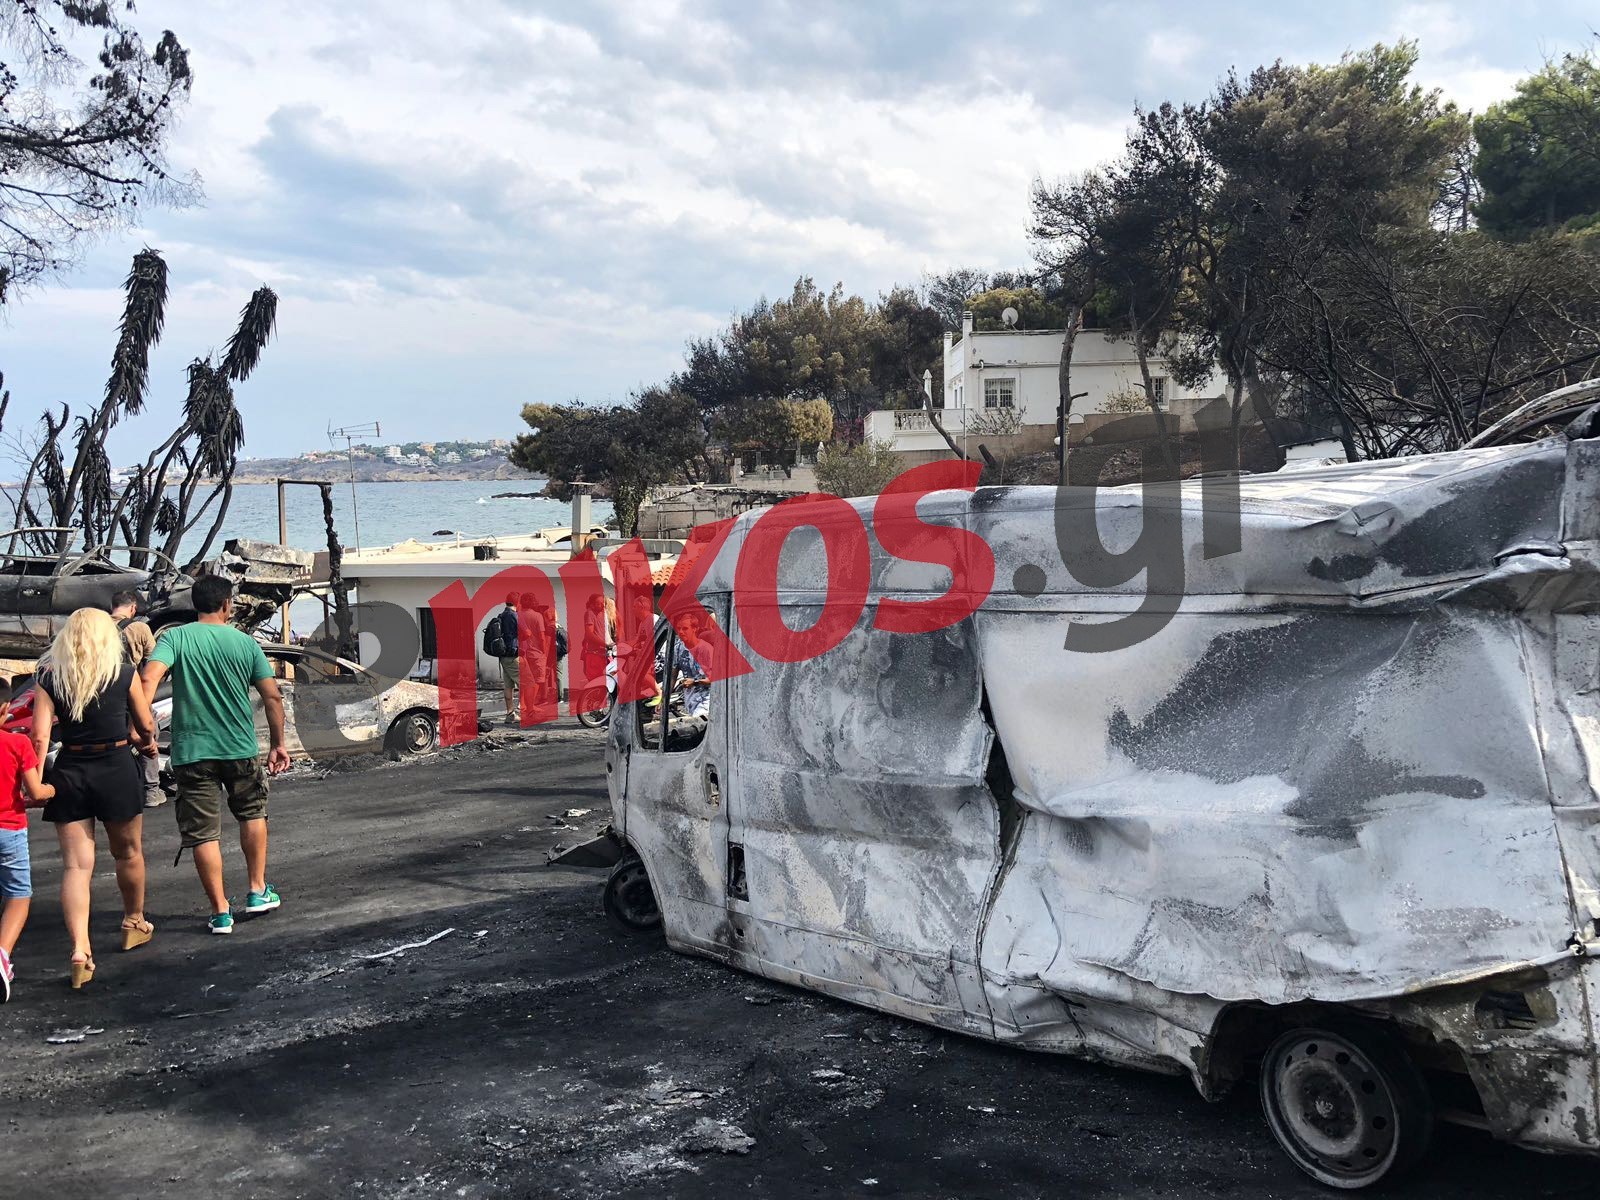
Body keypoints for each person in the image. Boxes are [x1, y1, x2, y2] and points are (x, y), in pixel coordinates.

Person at [141, 575, 291, 936]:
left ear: (196, 604)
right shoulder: (245, 643)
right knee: (252, 813)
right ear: (227, 604)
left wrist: (143, 727)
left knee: (204, 833)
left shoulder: (175, 639)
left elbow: (148, 679)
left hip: (192, 752)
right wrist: (278, 743)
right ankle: (257, 890)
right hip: (239, 748)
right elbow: (272, 696)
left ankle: (221, 912)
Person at [33, 608, 160, 988]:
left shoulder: (50, 677)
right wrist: (148, 743)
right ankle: (133, 922)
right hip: (116, 766)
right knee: (128, 852)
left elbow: (40, 737)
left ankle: (80, 950)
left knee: (76, 867)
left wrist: (35, 780)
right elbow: (145, 723)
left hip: (71, 769)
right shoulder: (123, 674)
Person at [0, 677, 56, 1002]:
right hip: (9, 828)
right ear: (6, 708)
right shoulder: (17, 743)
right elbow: (35, 791)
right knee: (18, 895)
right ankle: (2, 954)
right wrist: (51, 790)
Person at [111, 589, 164, 809]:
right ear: (133, 608)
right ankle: (151, 790)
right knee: (146, 731)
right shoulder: (140, 628)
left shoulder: (97, 626)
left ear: (113, 606)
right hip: (131, 691)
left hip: (101, 695)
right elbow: (154, 662)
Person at [494, 593, 520, 725]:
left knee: (509, 686)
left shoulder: (502, 615)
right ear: (517, 602)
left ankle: (510, 714)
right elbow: (525, 632)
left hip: (503, 656)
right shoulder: (513, 616)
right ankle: (525, 712)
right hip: (512, 655)